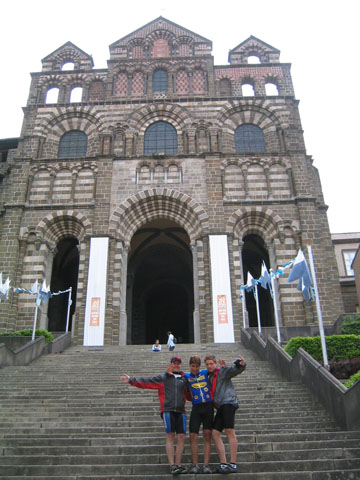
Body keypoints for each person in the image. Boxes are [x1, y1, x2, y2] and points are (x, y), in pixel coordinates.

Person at [120, 355, 191, 475]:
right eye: (174, 363)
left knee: (181, 437)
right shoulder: (163, 378)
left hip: (180, 411)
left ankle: (178, 464)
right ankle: (172, 465)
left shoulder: (184, 379)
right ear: (170, 364)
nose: (176, 365)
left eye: (178, 363)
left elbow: (190, 394)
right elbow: (147, 382)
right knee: (170, 436)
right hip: (167, 410)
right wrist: (131, 380)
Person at [205, 353, 246, 474]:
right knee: (215, 433)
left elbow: (234, 370)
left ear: (215, 363)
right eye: (207, 364)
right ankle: (223, 463)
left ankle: (232, 464)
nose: (209, 366)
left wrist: (241, 364)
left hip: (228, 402)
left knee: (229, 431)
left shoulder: (222, 371)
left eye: (211, 364)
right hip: (220, 406)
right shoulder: (209, 377)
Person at [184, 355, 214, 475]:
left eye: (197, 366)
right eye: (193, 366)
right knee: (193, 435)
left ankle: (206, 465)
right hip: (196, 407)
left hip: (208, 407)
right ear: (190, 366)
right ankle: (195, 464)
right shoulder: (186, 376)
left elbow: (215, 369)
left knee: (207, 435)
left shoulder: (205, 373)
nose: (195, 369)